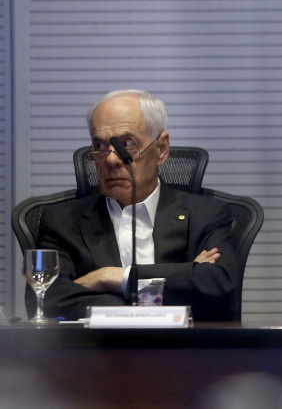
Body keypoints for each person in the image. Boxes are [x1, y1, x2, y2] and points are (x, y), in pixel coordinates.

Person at [30, 90, 239, 321]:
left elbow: (219, 286)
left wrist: (111, 277)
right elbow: (44, 300)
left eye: (126, 144)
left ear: (161, 149)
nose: (110, 159)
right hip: (95, 352)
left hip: (182, 352)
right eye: (99, 145)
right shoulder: (62, 222)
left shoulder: (206, 215)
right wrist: (180, 281)